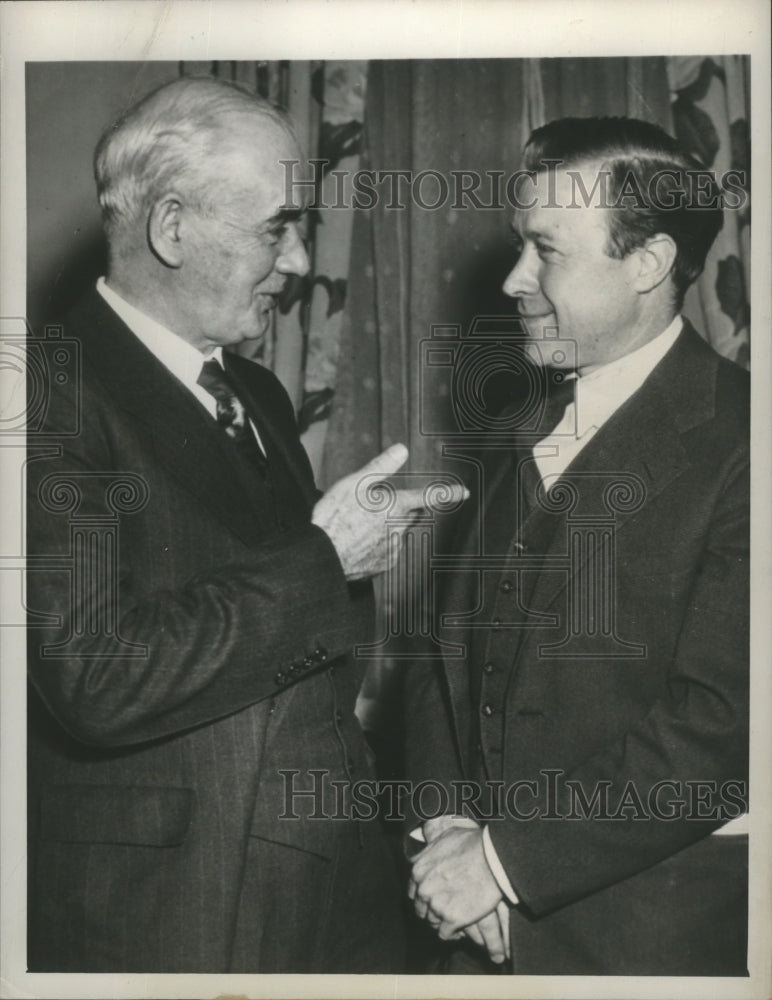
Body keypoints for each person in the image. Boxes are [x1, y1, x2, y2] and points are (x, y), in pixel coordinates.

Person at [26, 75, 459, 974]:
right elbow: (95, 675)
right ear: (171, 227)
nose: (300, 263)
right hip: (174, 912)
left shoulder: (253, 390)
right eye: (277, 228)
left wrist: (349, 559)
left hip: (325, 887)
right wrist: (325, 557)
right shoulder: (45, 390)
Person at [406, 116, 749, 975]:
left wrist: (499, 864)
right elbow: (438, 653)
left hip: (646, 947)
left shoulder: (748, 443)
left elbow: (723, 728)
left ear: (649, 263)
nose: (517, 278)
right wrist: (448, 829)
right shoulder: (521, 423)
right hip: (473, 934)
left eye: (546, 250)